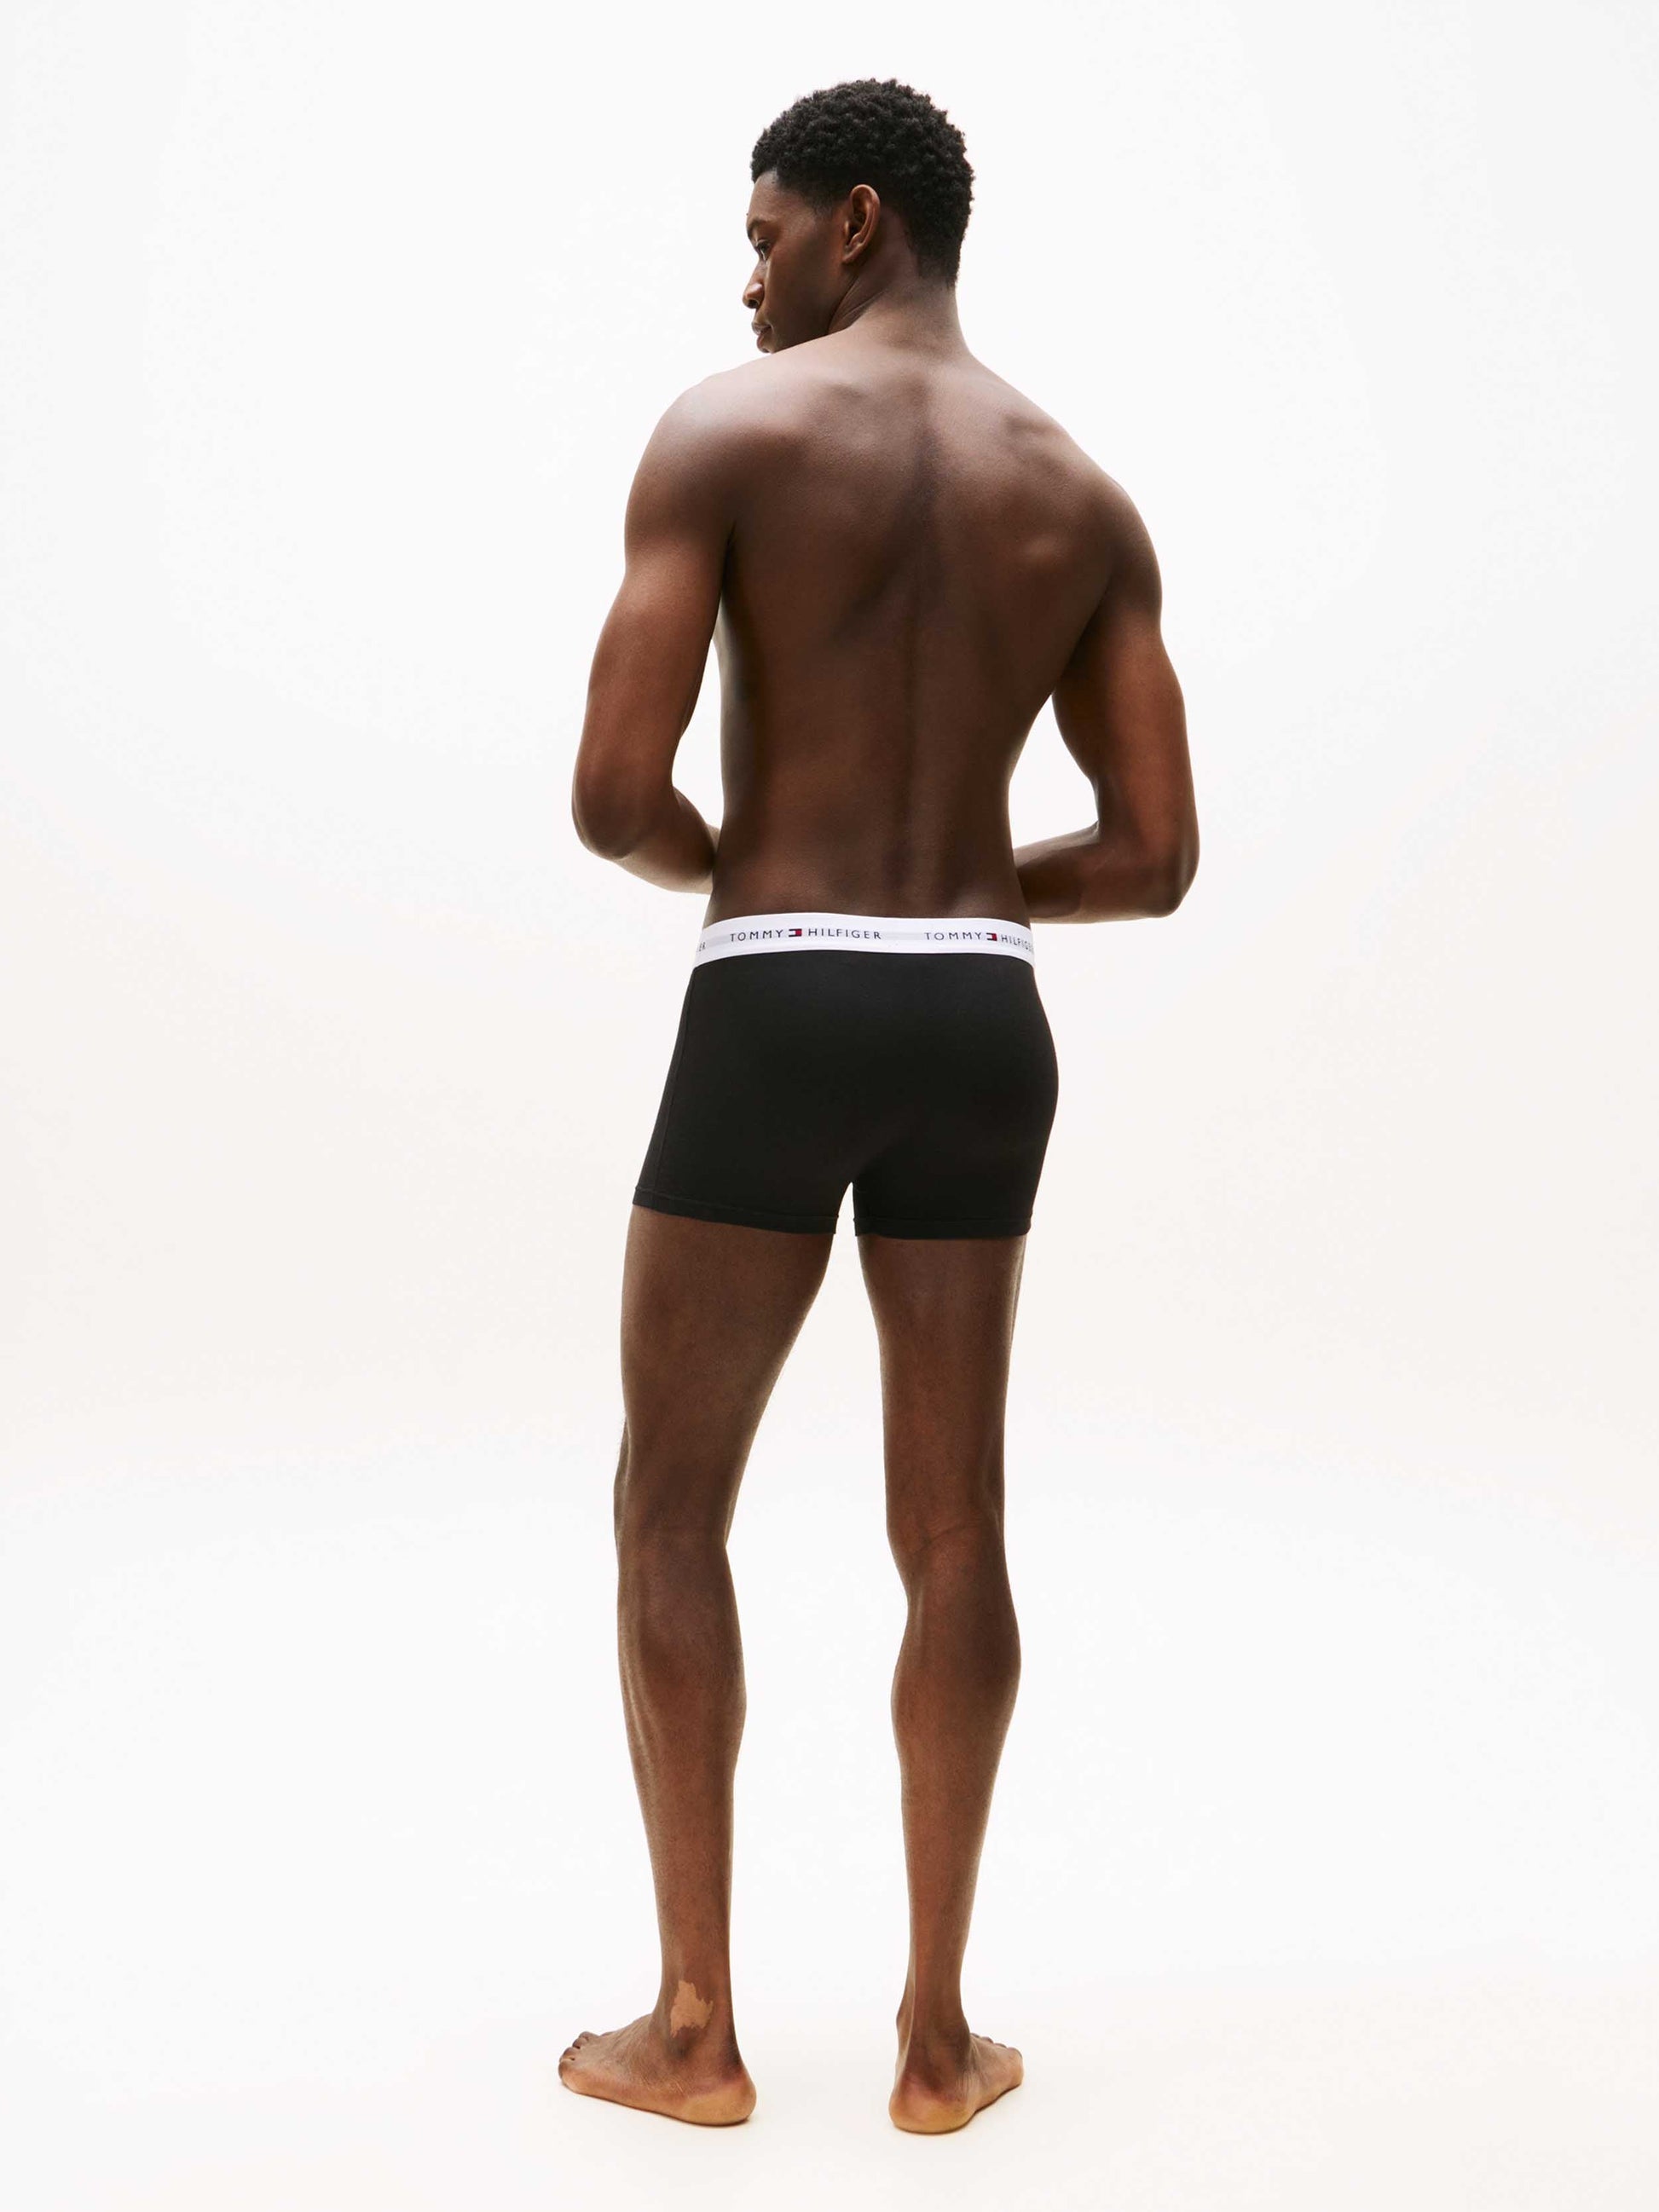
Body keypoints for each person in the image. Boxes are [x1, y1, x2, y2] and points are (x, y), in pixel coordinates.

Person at [560, 77, 1198, 2135]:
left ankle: (694, 2026)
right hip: (981, 1019)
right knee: (955, 1525)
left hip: (778, 995)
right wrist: (965, 886)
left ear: (854, 220)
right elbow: (1156, 852)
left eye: (762, 238)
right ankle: (935, 2040)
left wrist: (746, 869)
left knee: (672, 1503)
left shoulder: (727, 435)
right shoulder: (1080, 495)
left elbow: (612, 794)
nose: (744, 281)